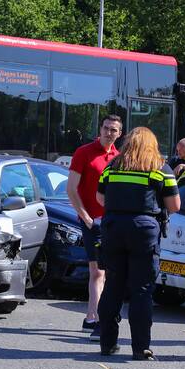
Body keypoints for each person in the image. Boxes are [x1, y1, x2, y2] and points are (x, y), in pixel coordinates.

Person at [94, 127, 180, 360]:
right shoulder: (160, 169)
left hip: (113, 229)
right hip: (144, 231)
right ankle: (141, 348)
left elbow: (99, 197)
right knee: (142, 291)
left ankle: (107, 344)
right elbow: (174, 206)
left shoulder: (113, 167)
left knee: (113, 286)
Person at [66, 114, 122, 338]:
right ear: (100, 129)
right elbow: (71, 189)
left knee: (107, 272)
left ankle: (94, 316)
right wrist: (86, 218)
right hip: (91, 221)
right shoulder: (84, 153)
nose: (109, 133)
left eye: (114, 130)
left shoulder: (119, 158)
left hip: (113, 222)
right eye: (106, 128)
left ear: (120, 134)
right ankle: (94, 318)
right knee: (97, 271)